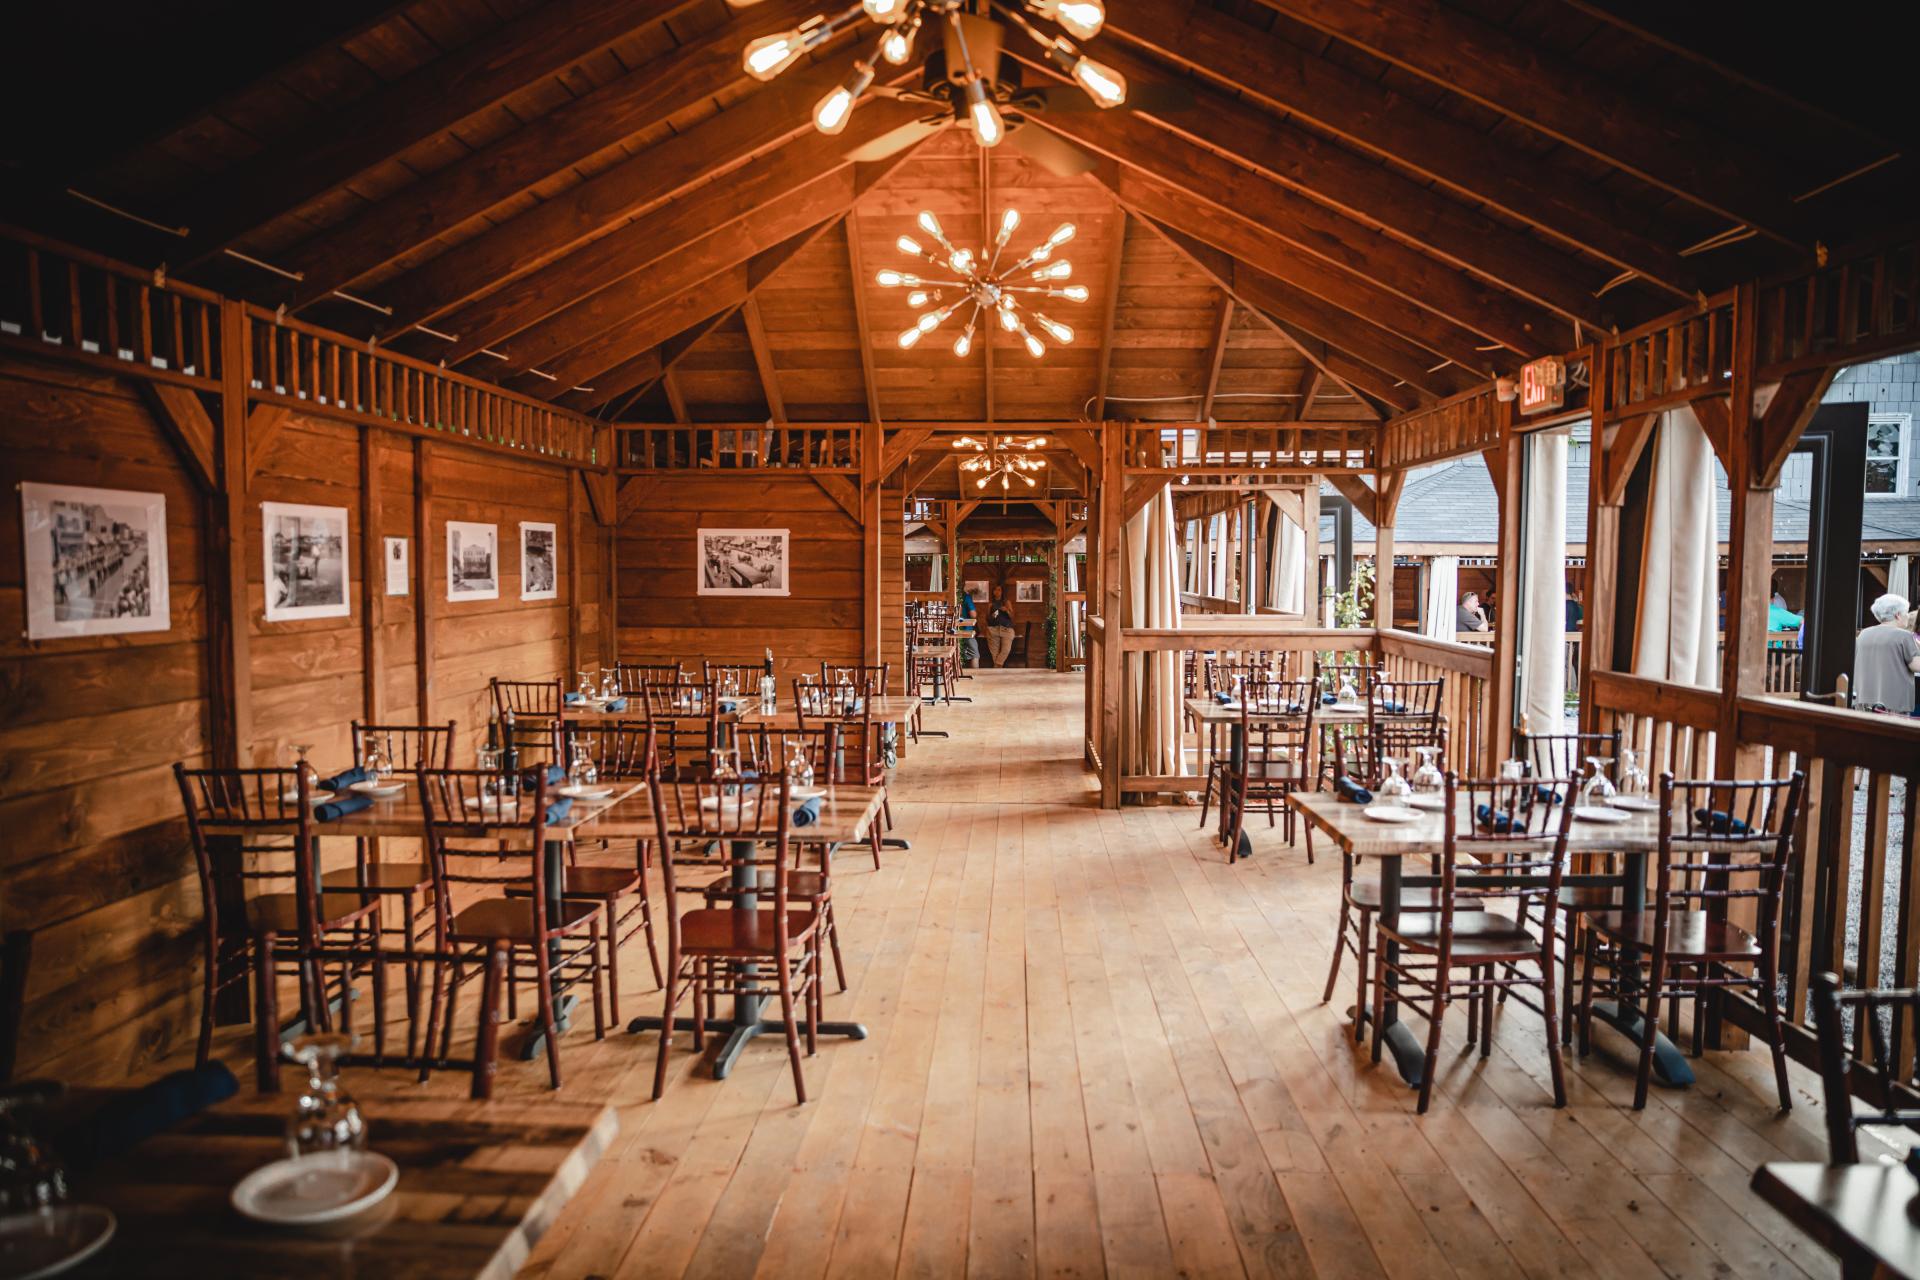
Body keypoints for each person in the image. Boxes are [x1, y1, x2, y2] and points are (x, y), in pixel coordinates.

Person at [1852, 593, 1920, 715]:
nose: (1908, 617)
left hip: (1864, 702)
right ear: (1898, 615)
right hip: (1894, 704)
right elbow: (1917, 666)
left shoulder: (1863, 634)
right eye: (1906, 613)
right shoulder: (1904, 636)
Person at [986, 592, 1017, 667]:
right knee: (994, 653)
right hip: (993, 630)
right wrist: (992, 616)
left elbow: (1012, 617)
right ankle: (997, 672)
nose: (997, 591)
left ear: (1003, 591)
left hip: (1007, 629)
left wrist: (1007, 610)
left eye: (999, 589)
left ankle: (996, 666)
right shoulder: (990, 604)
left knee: (1006, 650)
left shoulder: (1007, 602)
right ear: (993, 592)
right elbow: (987, 619)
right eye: (995, 589)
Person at [956, 586, 979, 667]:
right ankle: (976, 676)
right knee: (974, 653)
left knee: (956, 653)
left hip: (951, 630)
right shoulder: (966, 596)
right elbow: (973, 614)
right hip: (966, 630)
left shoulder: (946, 594)